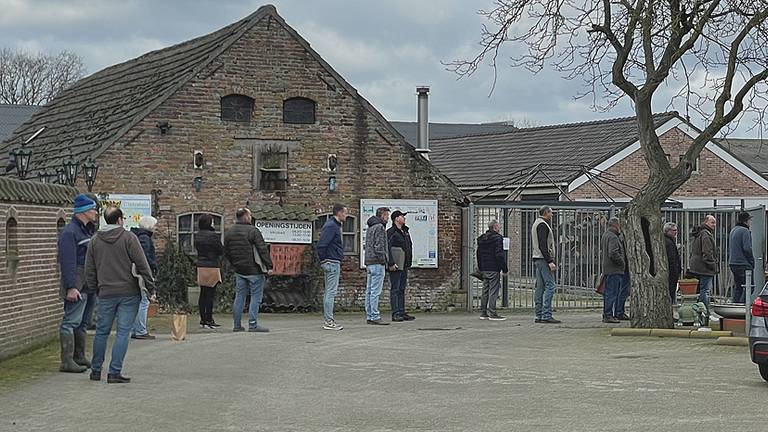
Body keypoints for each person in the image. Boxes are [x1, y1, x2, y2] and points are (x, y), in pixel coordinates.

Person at [86, 207, 156, 383]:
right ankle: (114, 372)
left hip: (105, 292)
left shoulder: (95, 240)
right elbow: (142, 264)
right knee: (123, 333)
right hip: (128, 292)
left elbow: (90, 269)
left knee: (102, 332)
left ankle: (95, 370)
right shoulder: (129, 238)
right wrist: (151, 287)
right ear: (119, 220)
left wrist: (96, 288)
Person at [57, 194, 99, 373]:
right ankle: (67, 361)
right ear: (83, 211)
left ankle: (79, 356)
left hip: (89, 283)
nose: (96, 212)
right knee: (71, 321)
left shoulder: (87, 231)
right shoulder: (70, 232)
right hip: (78, 283)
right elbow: (67, 262)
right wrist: (71, 286)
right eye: (93, 209)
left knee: (83, 322)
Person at [224, 207, 272, 333]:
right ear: (245, 216)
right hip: (254, 270)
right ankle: (253, 324)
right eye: (250, 215)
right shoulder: (253, 231)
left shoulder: (230, 232)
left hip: (239, 270)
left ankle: (237, 325)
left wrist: (234, 265)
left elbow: (226, 252)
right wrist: (269, 266)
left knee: (239, 297)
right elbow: (262, 249)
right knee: (256, 297)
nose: (251, 217)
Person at [317, 204, 348, 330]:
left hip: (332, 261)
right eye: (345, 213)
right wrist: (324, 260)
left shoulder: (333, 225)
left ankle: (328, 319)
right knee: (331, 292)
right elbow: (321, 245)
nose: (346, 215)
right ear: (339, 213)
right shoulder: (331, 226)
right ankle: (329, 321)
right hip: (331, 261)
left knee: (329, 292)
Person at [130, 215, 158, 340]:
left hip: (136, 273)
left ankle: (134, 329)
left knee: (137, 301)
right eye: (154, 226)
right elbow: (145, 258)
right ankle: (140, 329)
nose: (156, 228)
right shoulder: (145, 239)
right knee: (144, 301)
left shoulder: (137, 237)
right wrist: (153, 266)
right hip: (142, 274)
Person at [531, 206, 560, 324]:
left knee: (540, 287)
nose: (552, 215)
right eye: (551, 212)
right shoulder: (542, 225)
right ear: (546, 213)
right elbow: (543, 244)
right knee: (550, 286)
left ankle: (539, 314)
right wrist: (550, 261)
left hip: (537, 258)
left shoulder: (536, 223)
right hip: (543, 259)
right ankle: (546, 314)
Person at [195, 213, 224, 329]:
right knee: (210, 294)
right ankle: (209, 318)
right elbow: (220, 250)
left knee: (203, 293)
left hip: (201, 266)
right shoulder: (213, 236)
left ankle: (203, 319)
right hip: (212, 266)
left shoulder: (198, 235)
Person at [476, 220, 508, 321]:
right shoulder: (498, 238)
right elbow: (499, 255)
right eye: (498, 226)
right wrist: (504, 269)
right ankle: (492, 313)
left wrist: (481, 267)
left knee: (485, 290)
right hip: (493, 268)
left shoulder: (482, 239)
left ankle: (483, 312)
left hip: (484, 268)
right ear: (495, 227)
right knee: (493, 291)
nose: (499, 228)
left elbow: (478, 254)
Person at [364, 207, 391, 326]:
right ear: (382, 215)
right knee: (375, 291)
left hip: (369, 262)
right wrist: (383, 260)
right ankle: (375, 315)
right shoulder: (380, 227)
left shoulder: (370, 227)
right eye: (387, 215)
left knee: (369, 291)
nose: (388, 218)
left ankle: (369, 315)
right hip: (377, 263)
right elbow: (379, 246)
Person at [387, 210, 415, 322]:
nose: (404, 218)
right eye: (402, 216)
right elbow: (388, 248)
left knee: (402, 288)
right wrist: (391, 262)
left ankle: (402, 311)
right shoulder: (391, 232)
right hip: (396, 264)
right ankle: (395, 313)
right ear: (396, 219)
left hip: (405, 263)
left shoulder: (405, 231)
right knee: (395, 288)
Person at [601, 217, 630, 323]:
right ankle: (608, 315)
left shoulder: (606, 235)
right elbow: (613, 253)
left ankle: (610, 313)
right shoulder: (613, 237)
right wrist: (622, 262)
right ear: (616, 225)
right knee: (612, 293)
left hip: (609, 268)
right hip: (614, 269)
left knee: (610, 292)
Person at [689, 215, 718, 310]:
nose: (714, 224)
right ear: (706, 222)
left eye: (715, 222)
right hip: (705, 267)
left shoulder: (700, 233)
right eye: (712, 222)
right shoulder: (706, 234)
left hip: (697, 266)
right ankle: (704, 311)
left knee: (701, 290)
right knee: (705, 290)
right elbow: (707, 252)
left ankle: (699, 309)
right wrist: (713, 265)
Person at [728, 211, 754, 303]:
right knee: (749, 288)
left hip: (733, 263)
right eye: (750, 220)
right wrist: (751, 261)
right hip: (743, 264)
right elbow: (747, 248)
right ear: (746, 221)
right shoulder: (745, 231)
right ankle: (743, 308)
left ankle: (734, 309)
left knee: (738, 287)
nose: (751, 222)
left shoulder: (733, 230)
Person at [664, 222, 682, 303]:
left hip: (670, 271)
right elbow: (671, 259)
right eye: (674, 230)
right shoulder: (669, 243)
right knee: (670, 291)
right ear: (667, 231)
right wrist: (676, 271)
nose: (676, 232)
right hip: (671, 272)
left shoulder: (669, 241)